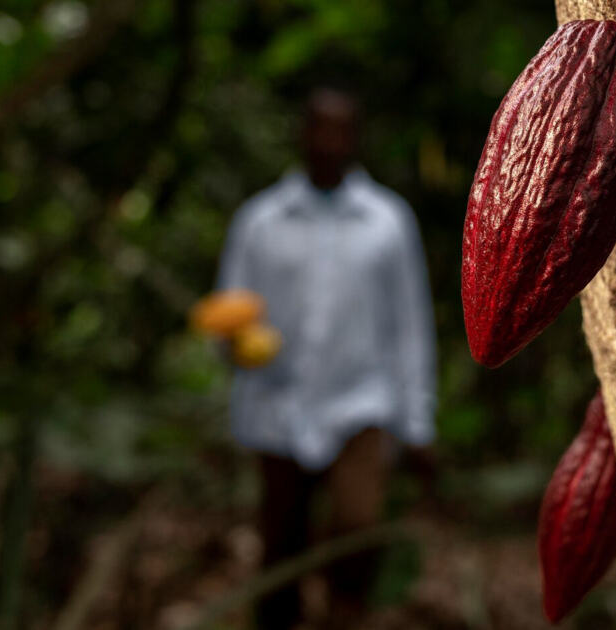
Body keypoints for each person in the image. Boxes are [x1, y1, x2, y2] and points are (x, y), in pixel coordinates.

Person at [215, 87, 437, 629]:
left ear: (356, 139)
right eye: (320, 127)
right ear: (302, 133)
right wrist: (233, 348)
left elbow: (409, 324)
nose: (329, 141)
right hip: (277, 405)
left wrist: (417, 421)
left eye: (342, 130)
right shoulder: (261, 221)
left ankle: (344, 618)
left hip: (362, 405)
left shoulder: (387, 221)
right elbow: (229, 310)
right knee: (282, 544)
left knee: (357, 536)